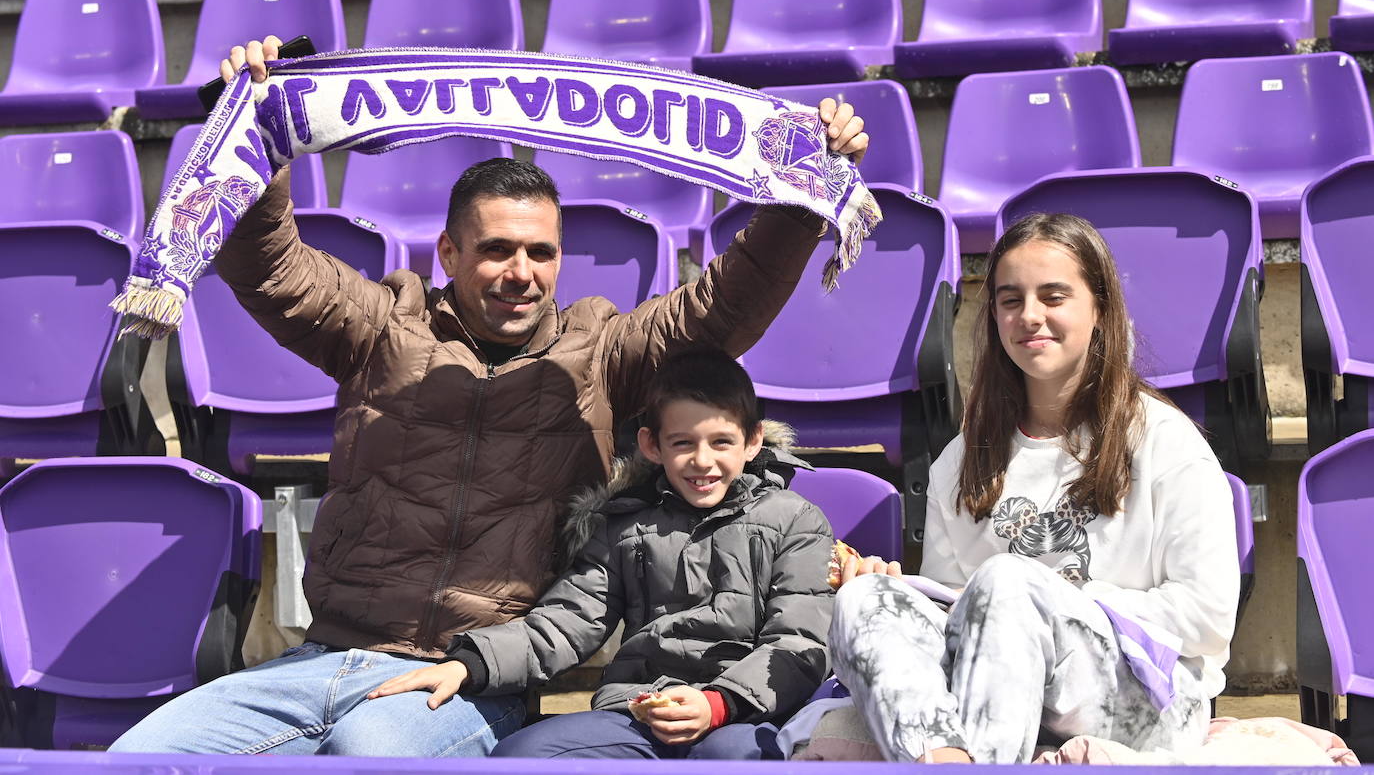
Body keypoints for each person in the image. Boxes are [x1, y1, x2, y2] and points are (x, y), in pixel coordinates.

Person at [109, 38, 868, 757]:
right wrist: (259, 136)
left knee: (363, 756)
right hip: (316, 660)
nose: (521, 272)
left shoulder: (602, 355)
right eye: (497, 249)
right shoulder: (379, 327)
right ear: (449, 252)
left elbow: (720, 309)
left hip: (469, 680)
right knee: (135, 757)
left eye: (541, 252)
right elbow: (269, 265)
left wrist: (802, 197)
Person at [826, 212, 1239, 764]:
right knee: (864, 601)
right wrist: (915, 599)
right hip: (996, 693)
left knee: (1009, 583)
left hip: (1148, 700)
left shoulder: (1166, 442)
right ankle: (948, 760)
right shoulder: (962, 459)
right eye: (1011, 299)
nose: (1030, 316)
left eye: (1054, 296)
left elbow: (1208, 618)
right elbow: (958, 626)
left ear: (1100, 310)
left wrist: (1051, 603)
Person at [367, 347, 833, 760]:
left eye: (721, 442)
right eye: (683, 443)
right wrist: (470, 663)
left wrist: (718, 703)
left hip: (744, 716)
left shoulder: (795, 521)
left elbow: (798, 643)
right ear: (652, 445)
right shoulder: (624, 526)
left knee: (738, 758)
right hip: (639, 710)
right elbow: (566, 621)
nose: (703, 461)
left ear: (753, 441)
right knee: (525, 755)